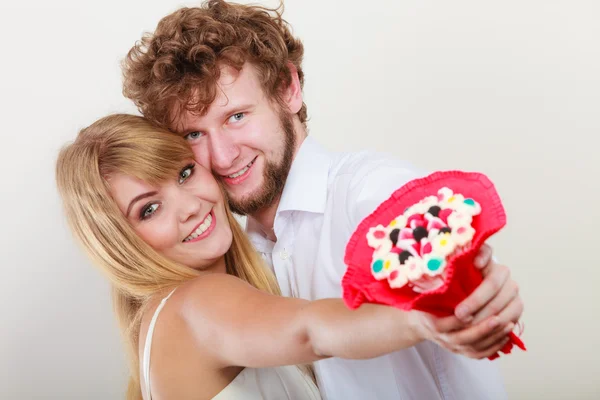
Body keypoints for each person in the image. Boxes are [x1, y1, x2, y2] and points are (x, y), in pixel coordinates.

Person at [121, 1, 524, 399]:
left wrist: (481, 293)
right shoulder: (233, 259)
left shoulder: (370, 191)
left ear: (288, 89)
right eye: (194, 135)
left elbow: (448, 263)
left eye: (236, 117)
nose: (223, 156)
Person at [55, 114, 508, 400]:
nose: (191, 204)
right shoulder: (196, 301)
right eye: (149, 209)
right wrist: (421, 320)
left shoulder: (167, 315)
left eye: (185, 172)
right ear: (117, 241)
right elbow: (311, 330)